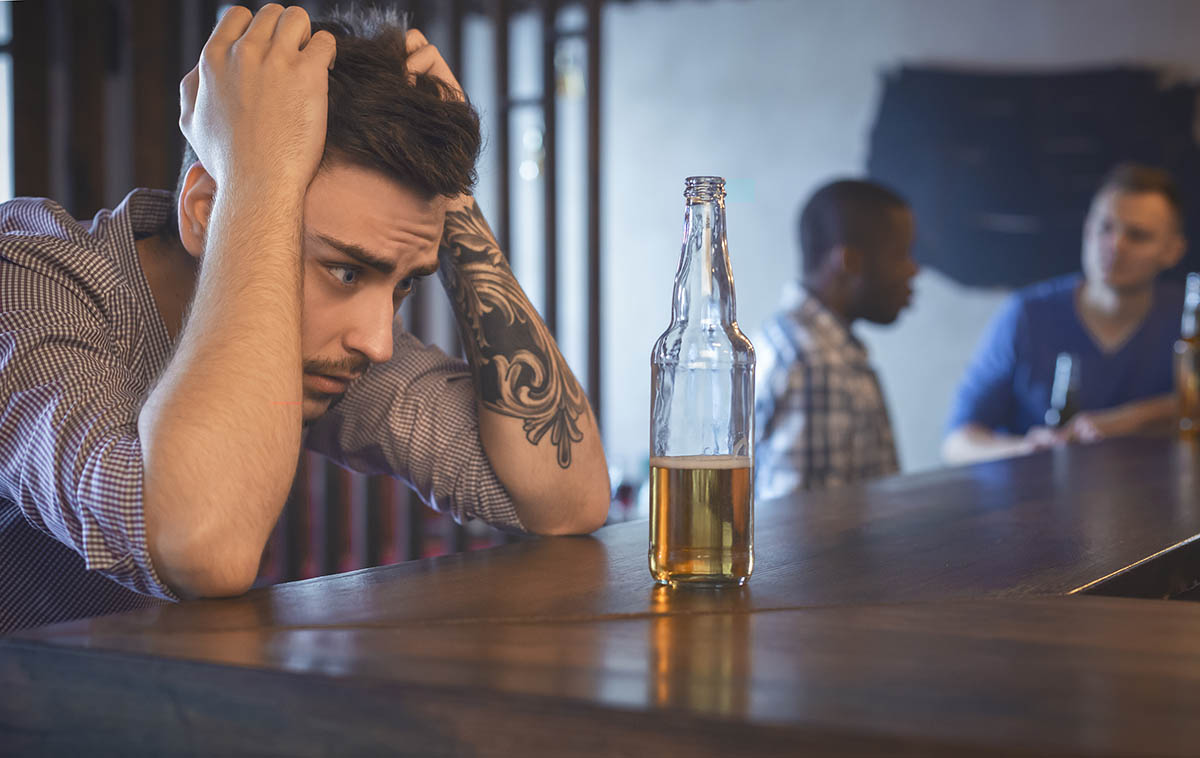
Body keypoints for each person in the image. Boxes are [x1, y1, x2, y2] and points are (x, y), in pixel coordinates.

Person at [0, 5, 609, 634]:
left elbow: (568, 497)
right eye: (345, 271)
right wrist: (258, 180)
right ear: (207, 210)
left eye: (400, 285)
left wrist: (450, 199)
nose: (375, 341)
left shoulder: (321, 347)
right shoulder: (26, 278)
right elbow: (203, 546)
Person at [942, 163, 1187, 464]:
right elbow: (957, 443)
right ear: (1087, 230)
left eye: (1137, 236)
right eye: (1105, 228)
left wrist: (1132, 419)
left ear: (1173, 250)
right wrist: (1027, 450)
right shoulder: (1026, 316)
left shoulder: (1188, 320)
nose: (1115, 245)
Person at [754, 179, 919, 497]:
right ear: (848, 262)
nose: (914, 270)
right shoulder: (816, 362)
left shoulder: (801, 342)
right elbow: (804, 535)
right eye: (901, 254)